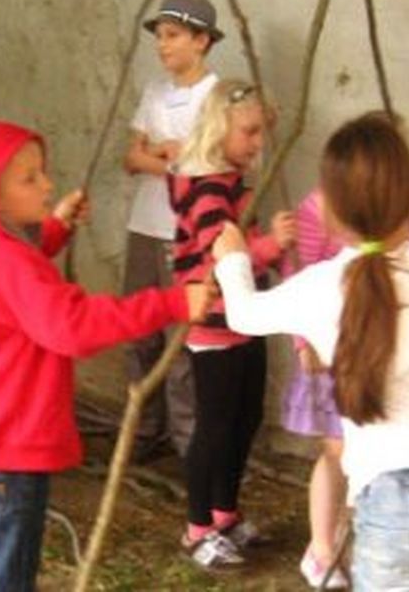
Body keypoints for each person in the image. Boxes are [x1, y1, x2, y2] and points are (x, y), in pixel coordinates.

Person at [0, 119, 212, 591]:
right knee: (7, 578)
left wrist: (55, 227)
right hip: (7, 449)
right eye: (30, 178)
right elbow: (73, 328)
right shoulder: (11, 261)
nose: (47, 183)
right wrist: (175, 302)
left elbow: (24, 290)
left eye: (43, 172)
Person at [213, 112, 409, 591]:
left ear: (332, 210)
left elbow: (243, 314)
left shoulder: (324, 286)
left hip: (388, 496)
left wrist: (233, 257)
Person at [167, 78, 296, 568]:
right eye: (250, 132)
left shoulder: (237, 186)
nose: (259, 143)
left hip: (246, 319)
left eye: (263, 133)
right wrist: (268, 246)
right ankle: (197, 527)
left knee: (244, 421)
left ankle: (225, 513)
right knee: (216, 427)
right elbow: (218, 260)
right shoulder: (206, 193)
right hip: (215, 328)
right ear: (221, 128)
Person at [122, 0, 223, 460]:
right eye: (160, 37)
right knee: (138, 330)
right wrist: (167, 156)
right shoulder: (153, 92)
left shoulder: (217, 96)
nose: (163, 46)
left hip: (186, 230)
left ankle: (188, 441)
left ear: (201, 40)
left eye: (174, 35)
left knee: (181, 340)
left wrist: (163, 156)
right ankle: (143, 431)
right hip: (145, 223)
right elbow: (130, 158)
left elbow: (208, 164)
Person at [280, 190, 348, 589]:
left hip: (370, 353)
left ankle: (342, 538)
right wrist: (303, 342)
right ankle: (321, 550)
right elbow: (297, 275)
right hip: (329, 349)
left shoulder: (393, 206)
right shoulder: (321, 207)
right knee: (337, 451)